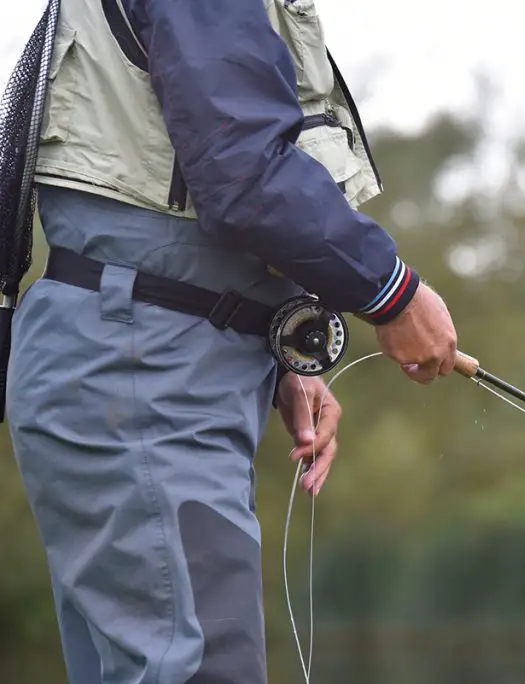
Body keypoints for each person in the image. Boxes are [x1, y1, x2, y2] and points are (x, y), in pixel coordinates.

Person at [5, 0, 458, 682]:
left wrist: (273, 344)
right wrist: (391, 293)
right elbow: (241, 171)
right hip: (142, 365)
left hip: (147, 353)